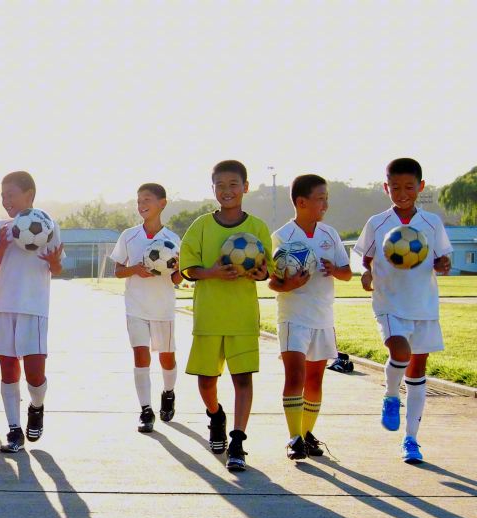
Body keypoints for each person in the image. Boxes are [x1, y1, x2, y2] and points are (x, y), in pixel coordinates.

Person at [353, 158, 453, 463]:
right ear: (386, 188)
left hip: (423, 305)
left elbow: (442, 259)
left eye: (409, 187)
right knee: (400, 353)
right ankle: (391, 395)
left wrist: (443, 264)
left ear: (420, 187)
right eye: (395, 187)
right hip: (390, 304)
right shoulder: (377, 223)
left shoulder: (432, 223)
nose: (402, 192)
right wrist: (366, 274)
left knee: (418, 371)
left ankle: (411, 440)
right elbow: (363, 259)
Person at [179, 160, 272, 472]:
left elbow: (266, 271)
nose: (227, 190)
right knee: (207, 382)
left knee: (242, 379)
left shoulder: (257, 228)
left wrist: (259, 274)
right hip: (208, 316)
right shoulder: (201, 227)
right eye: (221, 185)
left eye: (234, 184)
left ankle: (238, 441)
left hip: (243, 317)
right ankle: (216, 414)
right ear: (213, 189)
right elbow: (189, 268)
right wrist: (214, 272)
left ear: (246, 187)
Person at [269, 174, 352, 460]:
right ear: (301, 202)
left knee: (315, 379)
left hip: (322, 315)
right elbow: (272, 281)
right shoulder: (282, 236)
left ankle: (306, 433)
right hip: (293, 315)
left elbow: (347, 273)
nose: (325, 204)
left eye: (326, 198)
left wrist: (334, 269)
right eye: (320, 198)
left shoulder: (329, 234)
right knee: (295, 375)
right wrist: (288, 284)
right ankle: (294, 438)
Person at [0, 171, 64, 453]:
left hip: (34, 309)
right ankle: (14, 430)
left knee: (34, 374)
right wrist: (4, 244)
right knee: (8, 370)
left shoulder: (49, 226)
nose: (6, 201)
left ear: (30, 195)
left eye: (11, 195)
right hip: (4, 307)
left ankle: (37, 406)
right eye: (3, 196)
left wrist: (54, 262)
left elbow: (57, 269)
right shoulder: (1, 229)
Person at [109, 182, 182, 434]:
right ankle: (146, 410)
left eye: (147, 200)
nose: (142, 205)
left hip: (163, 308)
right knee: (141, 357)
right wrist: (135, 269)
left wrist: (179, 270)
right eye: (139, 201)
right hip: (136, 307)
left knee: (167, 358)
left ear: (162, 203)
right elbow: (117, 271)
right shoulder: (129, 235)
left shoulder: (172, 240)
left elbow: (176, 279)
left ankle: (169, 392)